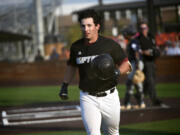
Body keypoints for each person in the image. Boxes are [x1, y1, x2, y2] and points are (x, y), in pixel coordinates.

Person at [59, 10, 132, 135]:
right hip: (88, 97)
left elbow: (127, 65)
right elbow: (71, 66)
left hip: (110, 96)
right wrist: (64, 85)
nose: (86, 29)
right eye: (83, 26)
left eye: (89, 25)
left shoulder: (110, 45)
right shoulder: (76, 47)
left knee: (112, 132)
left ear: (97, 26)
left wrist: (116, 72)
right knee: (93, 133)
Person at [137, 21, 163, 106]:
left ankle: (139, 94)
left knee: (150, 80)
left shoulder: (150, 36)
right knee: (150, 81)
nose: (143, 30)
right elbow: (139, 51)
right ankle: (155, 100)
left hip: (152, 61)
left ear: (147, 28)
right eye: (142, 28)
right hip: (145, 62)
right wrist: (146, 52)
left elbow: (155, 47)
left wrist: (156, 51)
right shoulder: (139, 38)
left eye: (145, 28)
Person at [123, 28, 145, 109]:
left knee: (130, 82)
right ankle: (141, 103)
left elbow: (136, 53)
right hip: (135, 63)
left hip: (135, 63)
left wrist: (137, 65)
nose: (125, 35)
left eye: (126, 34)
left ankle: (127, 104)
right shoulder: (133, 41)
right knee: (137, 83)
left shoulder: (133, 41)